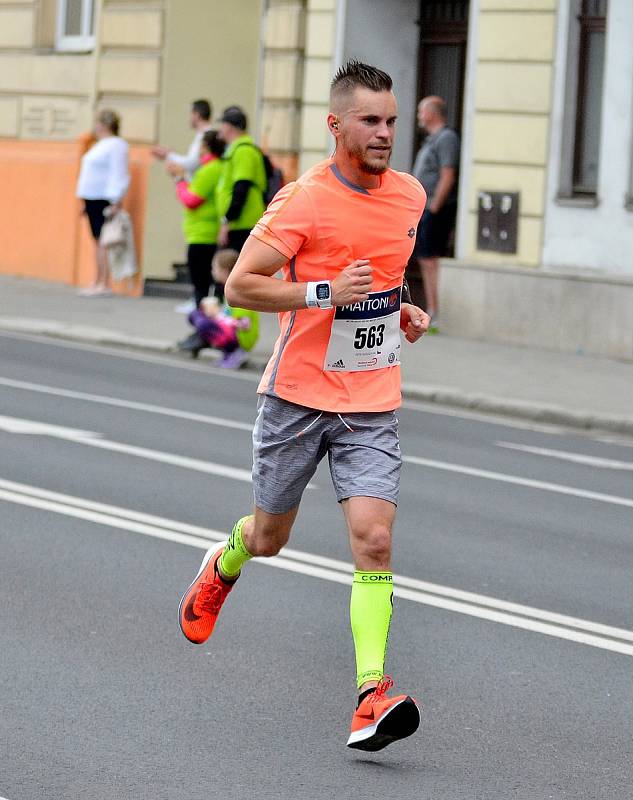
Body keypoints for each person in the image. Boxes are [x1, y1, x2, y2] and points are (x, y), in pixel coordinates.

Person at [178, 61, 430, 752]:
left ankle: (369, 695)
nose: (384, 132)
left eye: (391, 120)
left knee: (374, 540)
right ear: (336, 125)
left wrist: (402, 309)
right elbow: (240, 286)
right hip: (296, 397)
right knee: (270, 538)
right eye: (370, 120)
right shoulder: (304, 200)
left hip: (371, 397)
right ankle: (227, 560)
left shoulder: (408, 196)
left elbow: (383, 272)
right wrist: (324, 293)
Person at [412, 95, 460, 333]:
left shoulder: (446, 138)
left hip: (435, 209)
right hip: (425, 210)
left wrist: (433, 208)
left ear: (432, 113)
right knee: (424, 258)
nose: (419, 116)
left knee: (431, 259)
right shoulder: (432, 139)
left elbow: (447, 175)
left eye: (422, 111)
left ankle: (435, 311)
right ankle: (431, 308)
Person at [167, 130, 225, 309]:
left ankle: (202, 316)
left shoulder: (210, 169)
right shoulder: (215, 167)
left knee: (200, 280)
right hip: (205, 230)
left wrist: (179, 180)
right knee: (208, 278)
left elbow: (191, 200)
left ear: (205, 147)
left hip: (202, 233)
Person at [75, 109, 130, 296]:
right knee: (97, 241)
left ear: (105, 124)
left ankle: (103, 282)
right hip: (92, 197)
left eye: (98, 123)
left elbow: (118, 173)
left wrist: (116, 199)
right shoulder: (100, 144)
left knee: (102, 242)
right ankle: (98, 280)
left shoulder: (116, 145)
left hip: (103, 198)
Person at [178, 249, 260, 368]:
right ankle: (229, 353)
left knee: (205, 325)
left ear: (225, 271)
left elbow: (243, 323)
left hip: (243, 337)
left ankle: (236, 352)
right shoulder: (227, 288)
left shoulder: (238, 289)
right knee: (196, 314)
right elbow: (228, 313)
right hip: (234, 331)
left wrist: (217, 318)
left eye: (215, 268)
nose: (212, 271)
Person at [215, 106, 267, 260]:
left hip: (243, 224)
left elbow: (241, 188)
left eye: (222, 124)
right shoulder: (236, 150)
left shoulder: (243, 151)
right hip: (238, 224)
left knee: (233, 271)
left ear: (230, 126)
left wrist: (228, 219)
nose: (221, 129)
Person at [151, 99, 214, 180]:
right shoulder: (202, 135)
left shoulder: (206, 136)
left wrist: (168, 155)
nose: (189, 118)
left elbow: (191, 163)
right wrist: (170, 154)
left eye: (191, 114)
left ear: (197, 115)